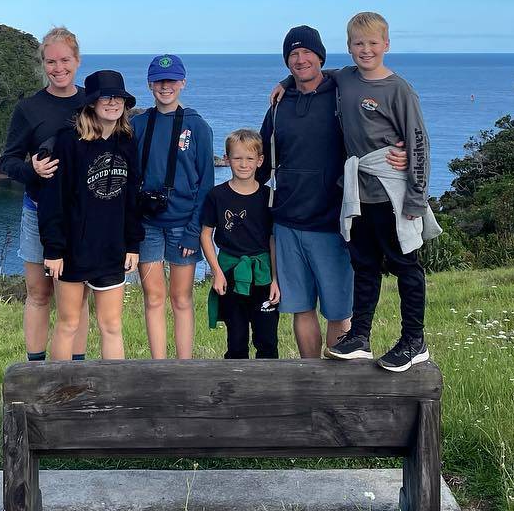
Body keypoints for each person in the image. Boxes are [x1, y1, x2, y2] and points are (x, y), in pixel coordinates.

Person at [261, 26, 407, 358]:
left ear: (321, 56)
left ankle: (341, 384)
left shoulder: (342, 92)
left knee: (339, 311)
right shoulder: (279, 104)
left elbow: (376, 125)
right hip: (286, 220)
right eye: (293, 55)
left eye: (307, 52)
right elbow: (264, 157)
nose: (301, 60)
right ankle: (311, 379)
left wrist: (405, 152)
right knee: (300, 308)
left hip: (333, 221)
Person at [325, 11, 441, 373]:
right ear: (348, 47)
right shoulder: (345, 78)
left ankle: (414, 340)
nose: (366, 50)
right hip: (360, 194)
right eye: (358, 43)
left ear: (386, 45)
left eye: (373, 43)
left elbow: (419, 143)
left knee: (406, 265)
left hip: (394, 193)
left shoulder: (399, 89)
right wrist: (284, 81)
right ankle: (359, 336)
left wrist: (416, 199)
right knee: (365, 266)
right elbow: (316, 74)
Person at [38, 70, 144, 360]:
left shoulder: (127, 142)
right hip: (73, 249)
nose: (112, 103)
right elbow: (53, 198)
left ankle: (113, 395)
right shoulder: (68, 142)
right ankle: (60, 395)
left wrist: (133, 243)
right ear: (91, 104)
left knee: (111, 326)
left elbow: (132, 197)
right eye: (105, 98)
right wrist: (54, 249)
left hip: (111, 249)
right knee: (68, 324)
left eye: (118, 98)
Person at [0, 26, 90, 362]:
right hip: (37, 211)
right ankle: (35, 371)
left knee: (76, 297)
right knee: (39, 293)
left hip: (81, 216)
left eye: (65, 60)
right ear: (43, 65)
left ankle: (75, 371)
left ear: (77, 61)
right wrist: (32, 171)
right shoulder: (29, 108)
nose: (58, 67)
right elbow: (8, 161)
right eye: (50, 61)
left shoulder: (90, 104)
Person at [130, 54, 214, 359]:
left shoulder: (197, 126)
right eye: (159, 81)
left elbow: (206, 183)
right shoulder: (139, 124)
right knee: (153, 298)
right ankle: (158, 364)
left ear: (183, 83)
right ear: (150, 84)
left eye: (172, 80)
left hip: (183, 226)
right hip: (148, 225)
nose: (166, 87)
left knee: (181, 298)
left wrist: (195, 231)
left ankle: (184, 365)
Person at [200, 129, 280, 360]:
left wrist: (276, 279)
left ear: (260, 161)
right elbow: (206, 235)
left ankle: (268, 392)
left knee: (267, 341)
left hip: (263, 274)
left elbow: (273, 239)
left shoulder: (269, 196)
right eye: (237, 158)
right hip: (231, 273)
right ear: (226, 159)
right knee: (236, 341)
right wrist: (217, 272)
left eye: (249, 158)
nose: (243, 164)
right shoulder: (217, 195)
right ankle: (236, 392)